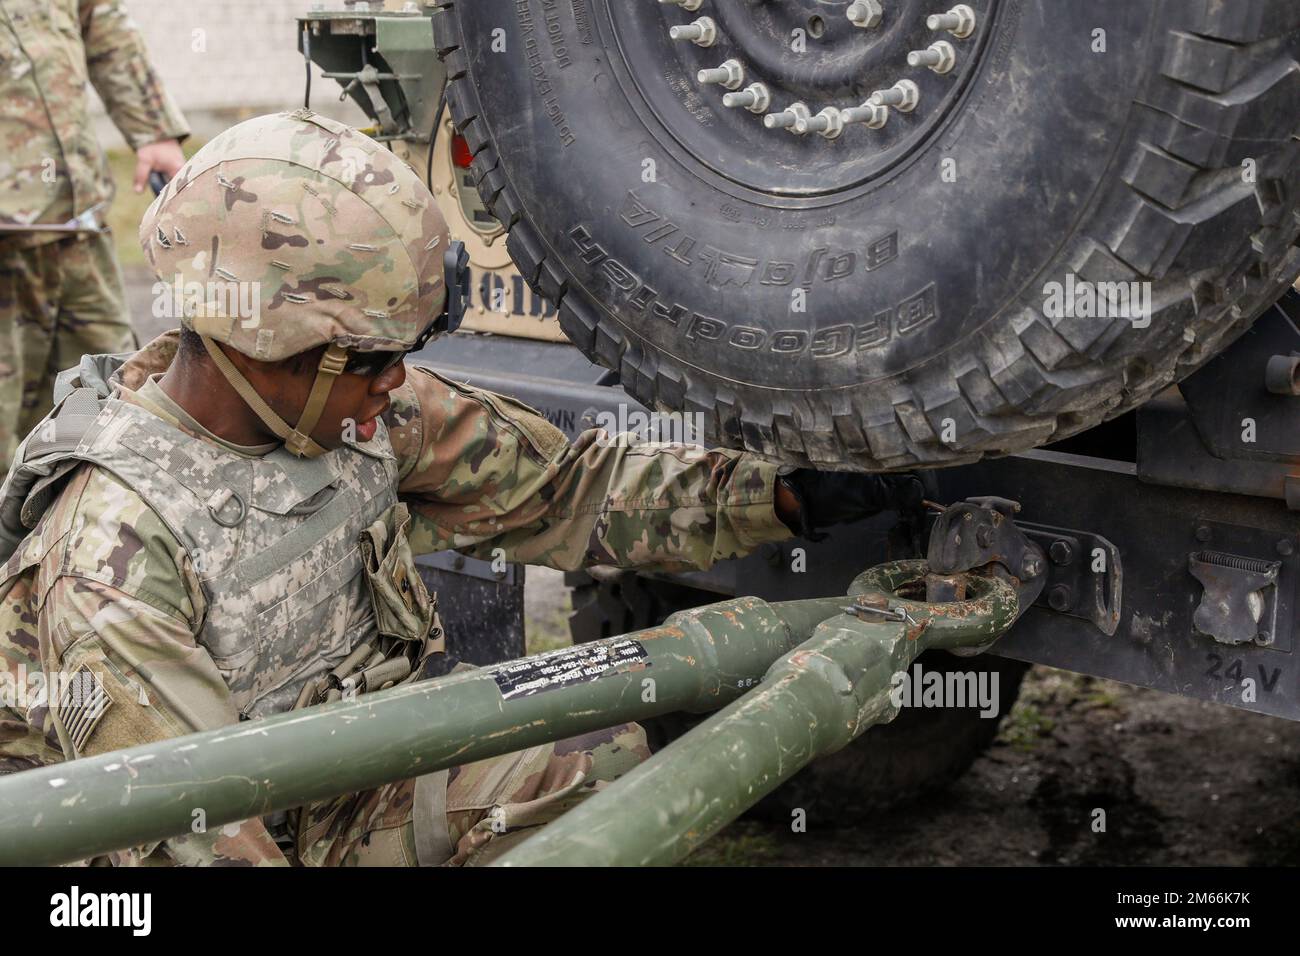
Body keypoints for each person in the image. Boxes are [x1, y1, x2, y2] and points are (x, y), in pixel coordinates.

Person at [0, 110, 918, 866]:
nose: (397, 382)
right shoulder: (110, 555)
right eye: (375, 358)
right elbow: (190, 829)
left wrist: (779, 499)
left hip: (342, 778)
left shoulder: (349, 407)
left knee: (589, 759)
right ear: (272, 345)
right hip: (201, 841)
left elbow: (559, 492)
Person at [0, 0, 188, 470]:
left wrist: (152, 129)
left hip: (75, 221)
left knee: (100, 406)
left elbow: (98, 18)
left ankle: (69, 534)